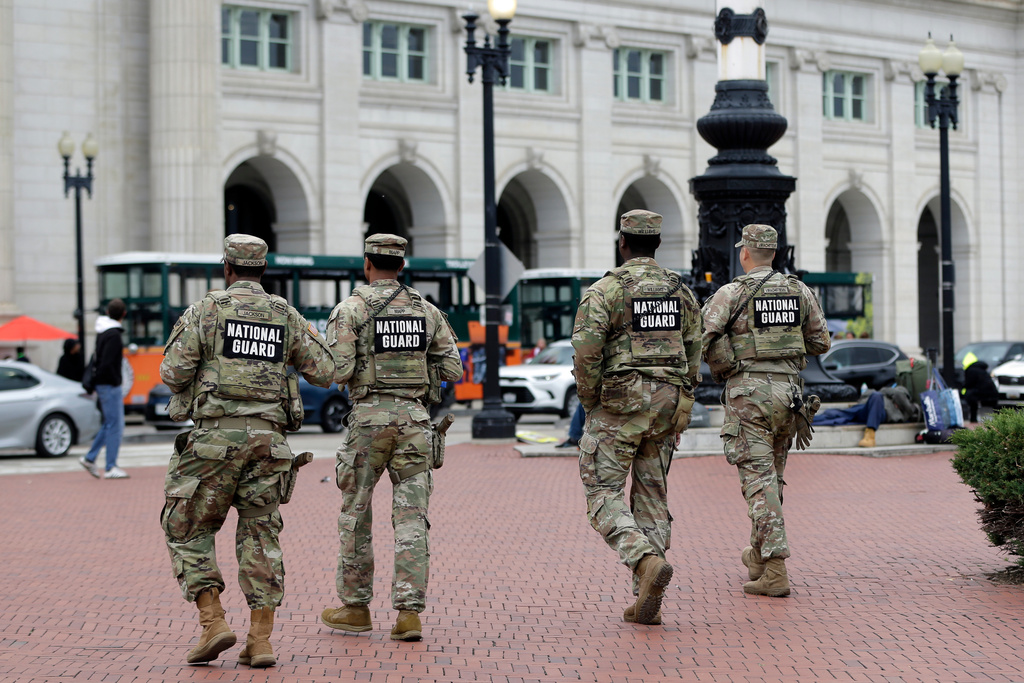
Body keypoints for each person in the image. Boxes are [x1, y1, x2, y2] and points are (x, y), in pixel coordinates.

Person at [158, 235, 336, 668]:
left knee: (186, 527)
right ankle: (260, 641)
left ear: (227, 268)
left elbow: (171, 371)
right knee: (260, 535)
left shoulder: (206, 310)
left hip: (214, 442)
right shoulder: (285, 316)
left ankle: (213, 621)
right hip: (269, 444)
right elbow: (326, 371)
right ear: (264, 269)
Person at [320, 233, 463, 642]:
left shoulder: (350, 309)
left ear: (367, 263)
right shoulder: (426, 310)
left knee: (356, 515)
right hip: (416, 423)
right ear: (402, 266)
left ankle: (355, 608)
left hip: (367, 421)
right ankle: (408, 615)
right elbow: (453, 368)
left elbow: (339, 370)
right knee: (411, 520)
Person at [572, 210, 703, 625]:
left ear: (622, 242)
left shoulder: (606, 290)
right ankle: (646, 592)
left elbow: (587, 353)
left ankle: (644, 561)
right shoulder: (681, 293)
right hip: (667, 403)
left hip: (619, 404)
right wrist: (682, 400)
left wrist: (591, 402)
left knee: (602, 491)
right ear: (657, 245)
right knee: (652, 496)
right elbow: (694, 351)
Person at [702, 224, 831, 597]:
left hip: (749, 396)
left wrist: (729, 361)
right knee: (770, 480)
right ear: (774, 253)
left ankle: (775, 569)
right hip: (788, 396)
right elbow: (821, 342)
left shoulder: (732, 293)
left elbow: (704, 337)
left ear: (745, 253)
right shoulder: (798, 291)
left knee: (759, 483)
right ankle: (758, 557)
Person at [79, 299, 128, 479]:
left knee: (109, 423)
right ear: (124, 314)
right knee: (115, 425)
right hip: (109, 384)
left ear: (108, 312)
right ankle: (110, 466)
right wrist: (116, 381)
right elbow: (107, 363)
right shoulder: (114, 335)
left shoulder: (102, 332)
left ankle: (90, 458)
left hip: (103, 384)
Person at [961, 352, 1000, 422]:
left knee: (971, 398)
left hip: (980, 393)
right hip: (992, 393)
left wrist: (962, 389)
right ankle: (999, 420)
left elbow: (969, 384)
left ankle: (973, 419)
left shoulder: (971, 370)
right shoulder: (981, 369)